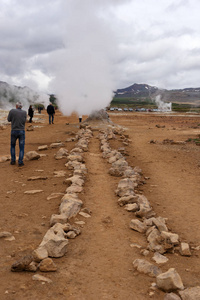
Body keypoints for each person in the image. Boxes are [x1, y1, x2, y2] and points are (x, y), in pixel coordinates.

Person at [7, 102, 27, 166]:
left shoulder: (12, 111)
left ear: (16, 106)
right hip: (21, 131)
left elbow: (8, 119)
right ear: (21, 106)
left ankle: (13, 161)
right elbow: (24, 121)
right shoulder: (24, 112)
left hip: (14, 130)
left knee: (12, 146)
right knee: (21, 147)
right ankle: (20, 162)